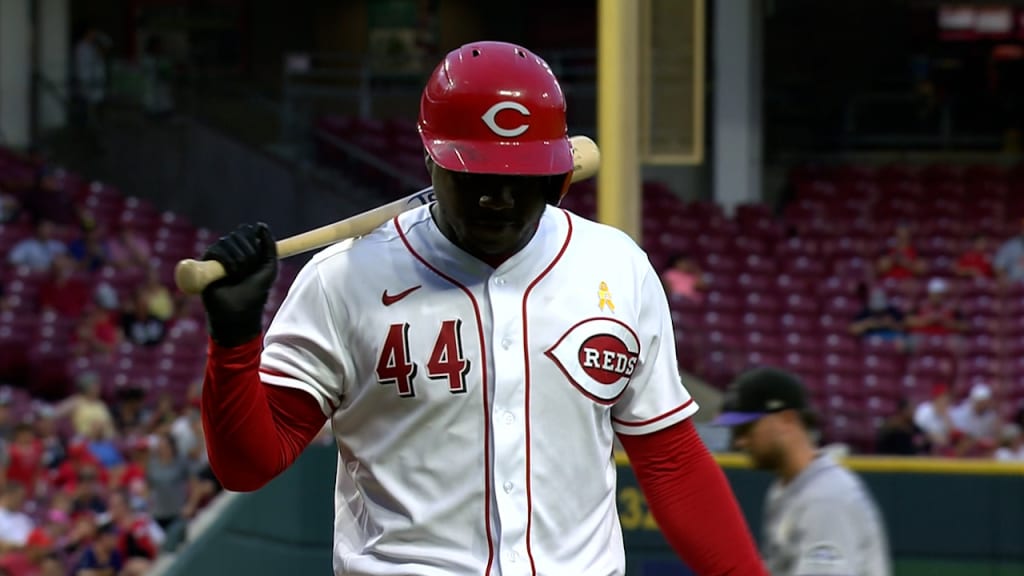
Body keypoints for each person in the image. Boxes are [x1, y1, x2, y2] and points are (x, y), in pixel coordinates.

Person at [198, 41, 765, 575]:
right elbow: (247, 466)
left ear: (559, 171)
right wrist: (234, 339)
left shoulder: (615, 267)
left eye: (522, 179)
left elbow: (671, 462)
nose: (501, 198)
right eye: (479, 178)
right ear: (431, 162)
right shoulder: (344, 279)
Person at [712, 368, 892, 576]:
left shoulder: (826, 498)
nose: (739, 441)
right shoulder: (787, 487)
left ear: (787, 420)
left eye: (746, 428)